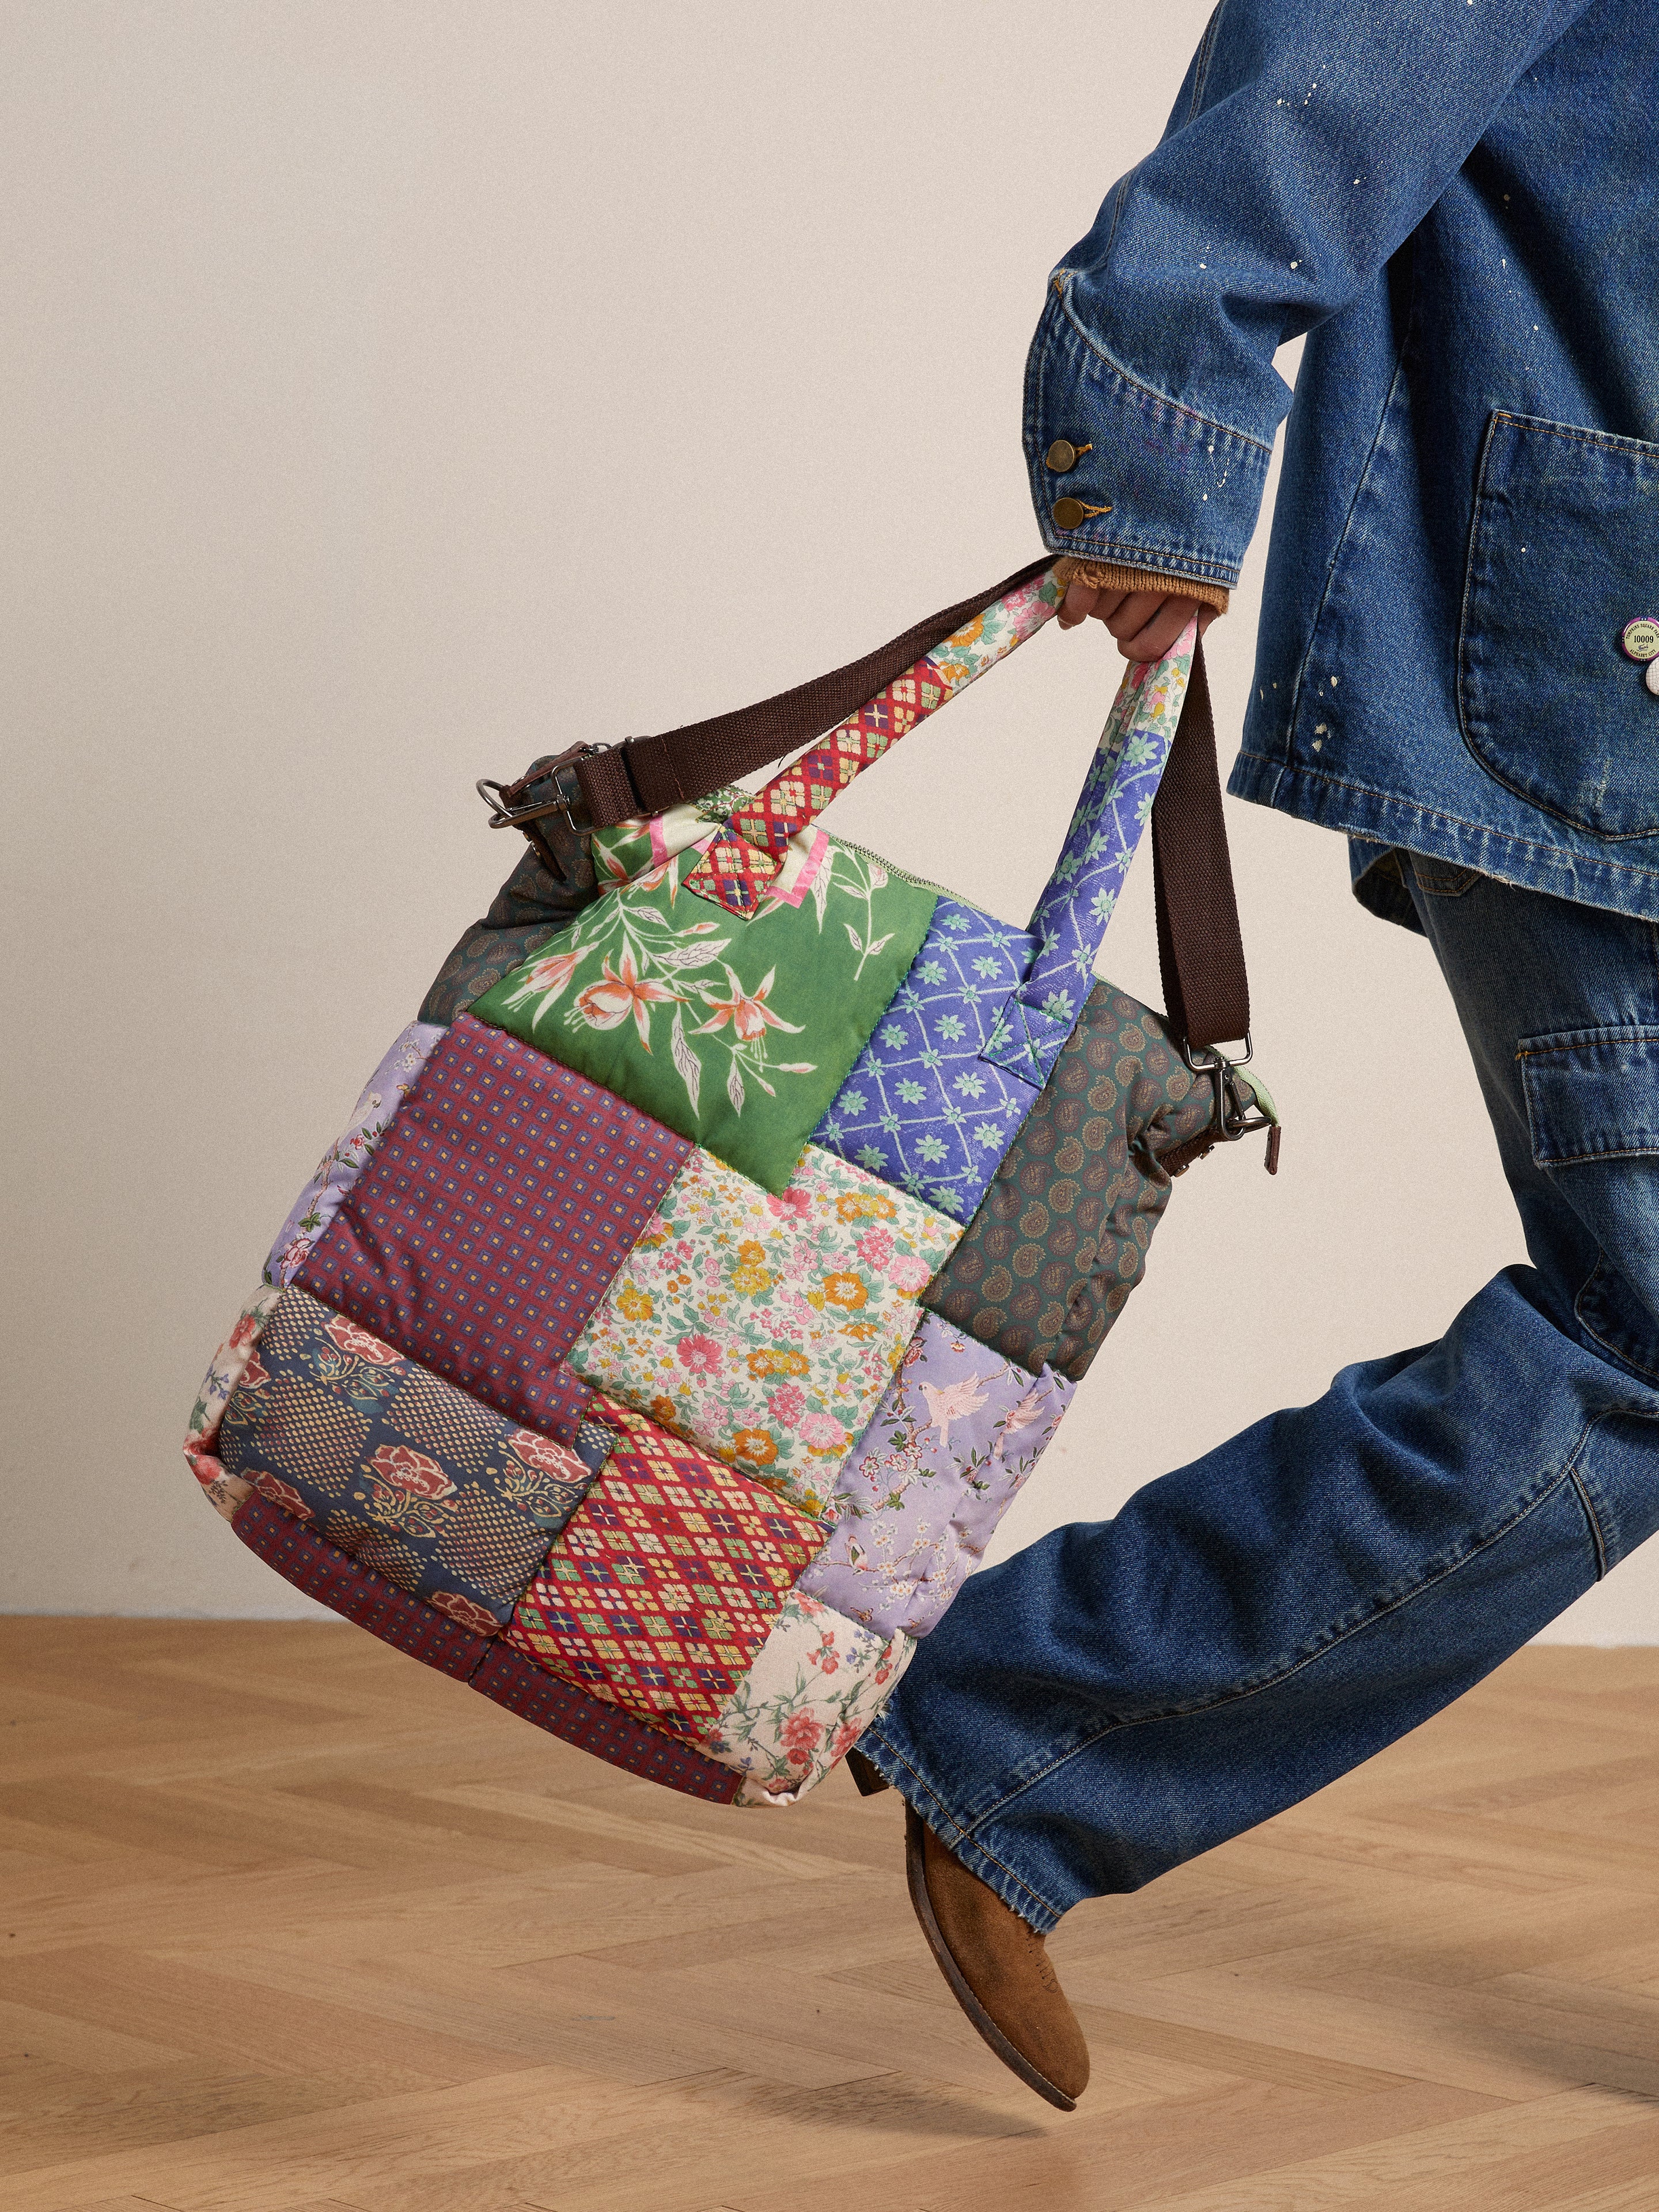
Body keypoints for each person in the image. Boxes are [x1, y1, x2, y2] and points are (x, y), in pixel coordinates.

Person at [852, 0, 1659, 2112]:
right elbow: (1347, 52)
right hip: (1621, 657)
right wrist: (1161, 412)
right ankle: (1029, 1726)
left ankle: (1027, 1732)